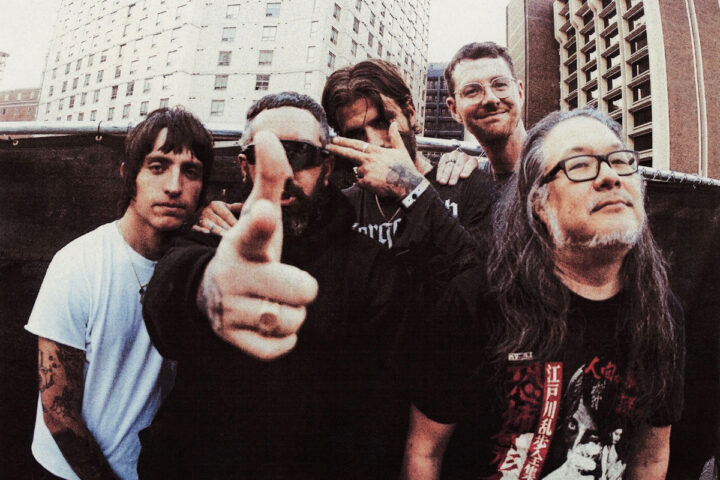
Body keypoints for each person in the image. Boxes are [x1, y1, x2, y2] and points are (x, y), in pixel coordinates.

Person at [138, 92, 411, 479]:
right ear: (245, 166)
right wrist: (206, 290)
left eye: (300, 154)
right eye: (264, 154)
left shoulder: (372, 269)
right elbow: (166, 297)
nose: (282, 170)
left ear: (326, 168)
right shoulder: (212, 236)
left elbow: (379, 418)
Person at [401, 108, 684, 480]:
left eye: (620, 161)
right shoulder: (478, 301)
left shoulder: (661, 311)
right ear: (539, 203)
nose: (610, 176)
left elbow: (650, 457)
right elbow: (425, 452)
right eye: (580, 165)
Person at [25, 107, 214, 480]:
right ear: (129, 176)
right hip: (71, 471)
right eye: (157, 167)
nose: (174, 186)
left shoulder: (202, 266)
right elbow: (58, 412)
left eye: (190, 171)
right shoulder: (79, 264)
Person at [436, 41, 528, 186]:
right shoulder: (471, 182)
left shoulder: (558, 166)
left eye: (500, 84)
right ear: (454, 110)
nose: (490, 98)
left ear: (520, 93)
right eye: (472, 91)